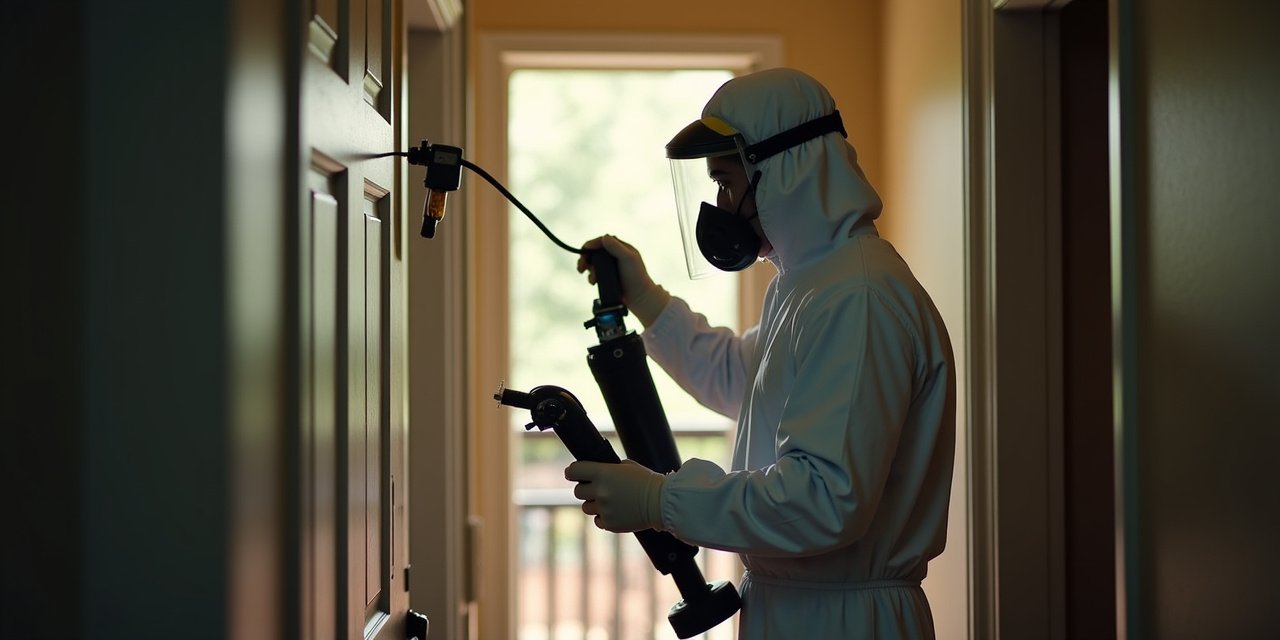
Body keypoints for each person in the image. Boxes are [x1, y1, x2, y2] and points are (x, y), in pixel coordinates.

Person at [566, 67, 956, 640]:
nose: (721, 206)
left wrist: (660, 498)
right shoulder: (808, 285)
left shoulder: (858, 297)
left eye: (727, 182)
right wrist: (644, 297)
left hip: (844, 621)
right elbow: (741, 379)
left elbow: (824, 499)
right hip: (800, 607)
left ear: (785, 171)